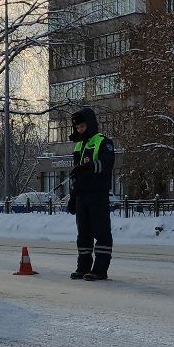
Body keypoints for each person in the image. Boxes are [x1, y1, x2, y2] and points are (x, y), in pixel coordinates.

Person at [66, 106, 115, 281]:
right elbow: (76, 176)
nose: (80, 130)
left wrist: (88, 167)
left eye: (82, 126)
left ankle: (100, 269)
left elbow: (106, 164)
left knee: (101, 232)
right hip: (82, 195)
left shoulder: (103, 141)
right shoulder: (79, 145)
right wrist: (73, 196)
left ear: (90, 124)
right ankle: (83, 267)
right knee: (83, 233)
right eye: (77, 127)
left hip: (97, 195)